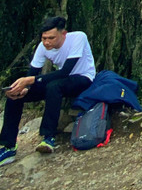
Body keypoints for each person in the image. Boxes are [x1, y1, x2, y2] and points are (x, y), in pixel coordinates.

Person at [0, 16, 96, 165]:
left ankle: (48, 138)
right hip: (59, 82)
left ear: (63, 34)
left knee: (54, 86)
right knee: (15, 94)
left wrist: (30, 81)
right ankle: (8, 146)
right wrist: (25, 88)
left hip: (82, 78)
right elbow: (33, 73)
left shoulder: (78, 37)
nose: (46, 42)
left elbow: (65, 72)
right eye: (44, 38)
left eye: (51, 38)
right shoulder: (42, 47)